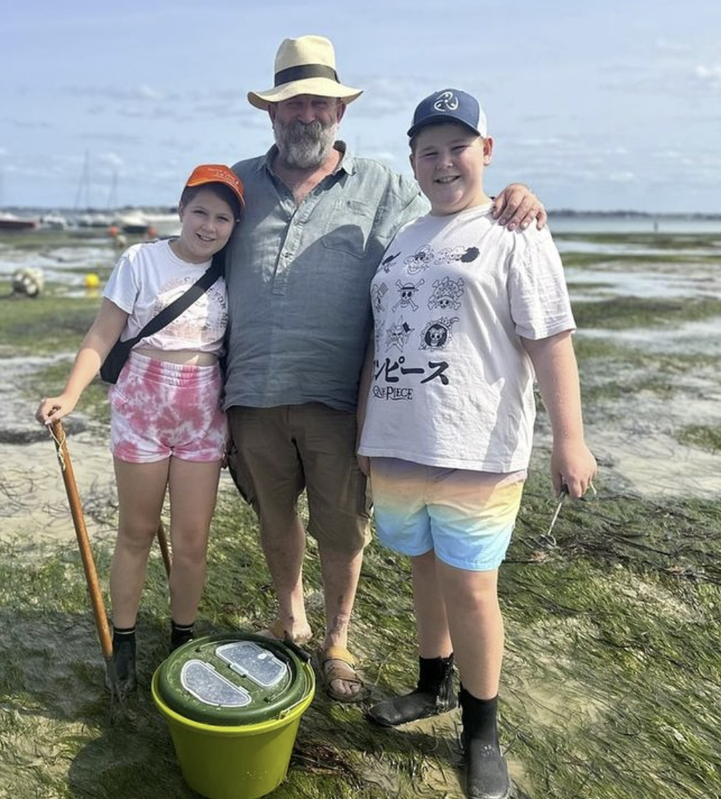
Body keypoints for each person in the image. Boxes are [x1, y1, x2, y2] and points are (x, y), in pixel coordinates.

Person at [222, 34, 547, 704]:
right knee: (274, 517)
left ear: (338, 113)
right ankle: (290, 619)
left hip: (344, 400)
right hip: (250, 394)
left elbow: (449, 216)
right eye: (291, 103)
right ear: (271, 115)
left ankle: (337, 638)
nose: (305, 114)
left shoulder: (383, 187)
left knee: (342, 527)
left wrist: (513, 194)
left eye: (318, 102)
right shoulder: (238, 183)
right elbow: (195, 242)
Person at [356, 88, 597, 799]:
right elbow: (378, 343)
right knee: (423, 567)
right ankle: (431, 685)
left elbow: (551, 340)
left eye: (457, 147)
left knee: (471, 584)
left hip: (478, 446)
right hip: (400, 440)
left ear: (485, 152)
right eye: (428, 151)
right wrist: (369, 429)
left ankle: (481, 730)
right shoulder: (402, 240)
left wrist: (570, 440)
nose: (443, 163)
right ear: (412, 162)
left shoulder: (514, 230)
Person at [35, 164, 244, 693]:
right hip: (141, 408)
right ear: (180, 209)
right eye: (200, 211)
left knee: (193, 538)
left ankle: (182, 639)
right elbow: (103, 333)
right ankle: (124, 640)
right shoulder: (140, 260)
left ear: (234, 226)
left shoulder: (233, 270)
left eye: (223, 217)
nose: (209, 225)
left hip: (203, 412)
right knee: (135, 531)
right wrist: (70, 393)